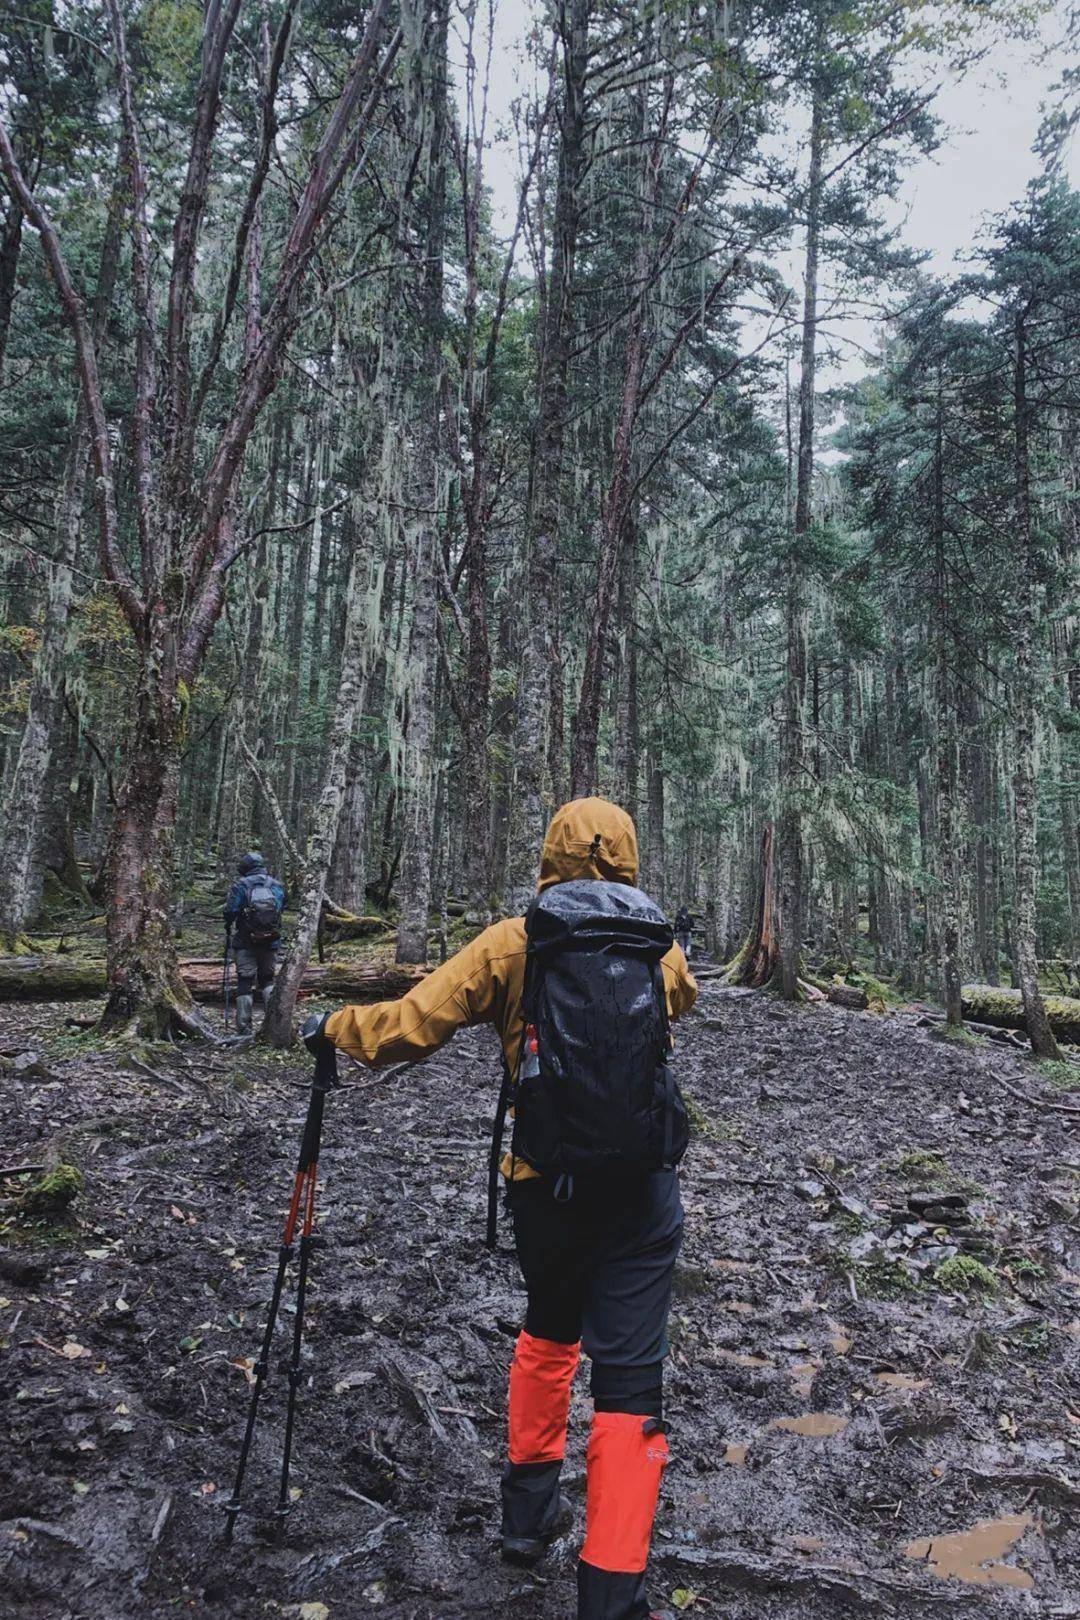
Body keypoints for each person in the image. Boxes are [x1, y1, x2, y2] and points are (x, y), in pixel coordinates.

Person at [306, 798, 696, 1620]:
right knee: (630, 1389)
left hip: (542, 1184)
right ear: (627, 854)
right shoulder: (657, 946)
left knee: (549, 1330)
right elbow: (682, 999)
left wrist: (335, 1025)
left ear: (551, 851)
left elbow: (413, 1026)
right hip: (640, 1190)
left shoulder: (513, 940)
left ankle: (527, 1518)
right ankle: (612, 1594)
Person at [223, 852, 287, 1034]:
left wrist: (229, 924)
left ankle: (244, 1028)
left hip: (245, 941)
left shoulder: (241, 886)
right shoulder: (277, 885)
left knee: (245, 981)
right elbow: (282, 907)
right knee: (267, 980)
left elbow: (230, 911)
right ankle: (273, 1024)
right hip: (271, 941)